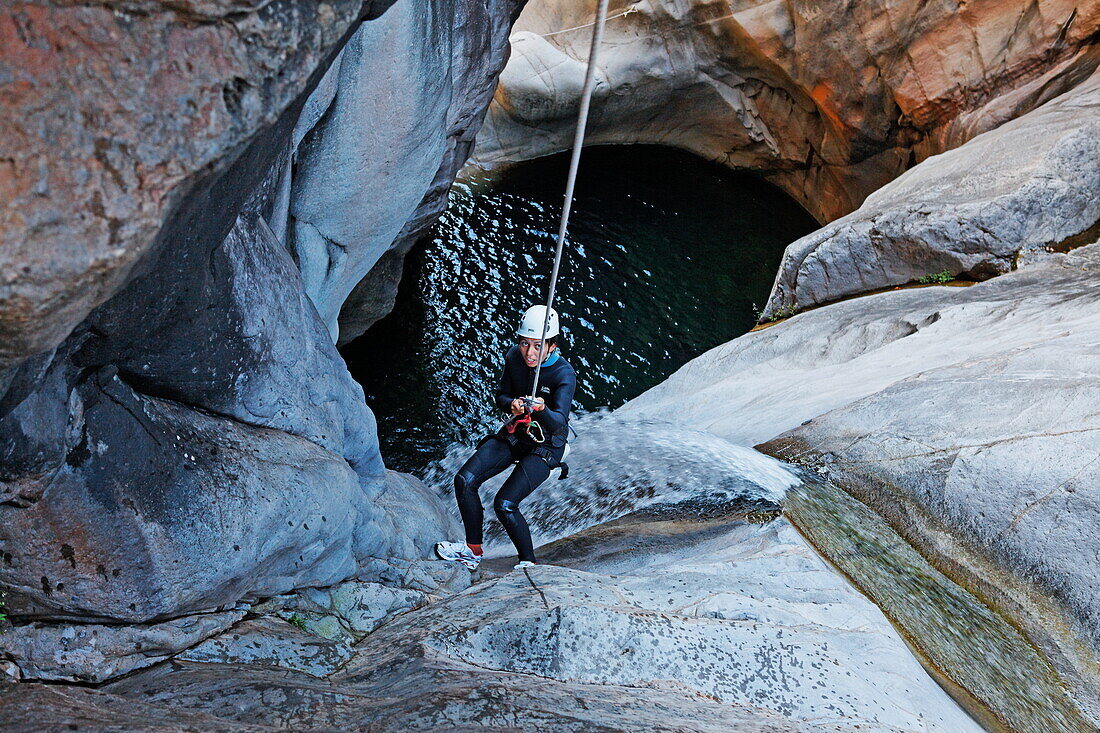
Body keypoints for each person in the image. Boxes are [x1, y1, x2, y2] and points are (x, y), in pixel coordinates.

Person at [435, 305, 576, 572]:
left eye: (538, 346)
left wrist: (542, 408)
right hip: (518, 432)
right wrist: (511, 403)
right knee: (464, 481)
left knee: (505, 504)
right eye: (524, 344)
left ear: (552, 346)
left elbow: (559, 421)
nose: (529, 353)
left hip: (546, 444)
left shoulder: (563, 374)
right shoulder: (514, 357)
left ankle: (528, 563)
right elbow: (501, 395)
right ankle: (472, 551)